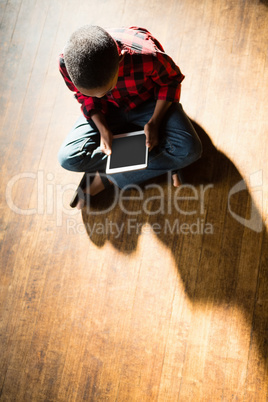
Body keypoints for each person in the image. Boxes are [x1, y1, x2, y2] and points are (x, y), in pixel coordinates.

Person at [58, 25, 202, 209]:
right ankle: (165, 162)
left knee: (190, 149)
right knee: (68, 158)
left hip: (147, 104)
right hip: (107, 112)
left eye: (107, 89)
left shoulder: (147, 54)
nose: (101, 96)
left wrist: (155, 122)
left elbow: (170, 81)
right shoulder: (67, 63)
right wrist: (102, 128)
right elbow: (83, 98)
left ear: (121, 60)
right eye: (94, 94)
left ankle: (109, 177)